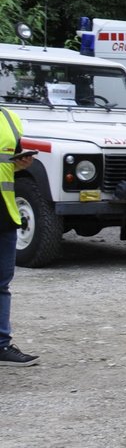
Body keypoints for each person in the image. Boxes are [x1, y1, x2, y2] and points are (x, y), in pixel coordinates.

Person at [0, 107, 38, 365]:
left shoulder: (9, 117)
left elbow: (7, 165)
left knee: (1, 285)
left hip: (5, 213)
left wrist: (20, 164)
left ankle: (1, 346)